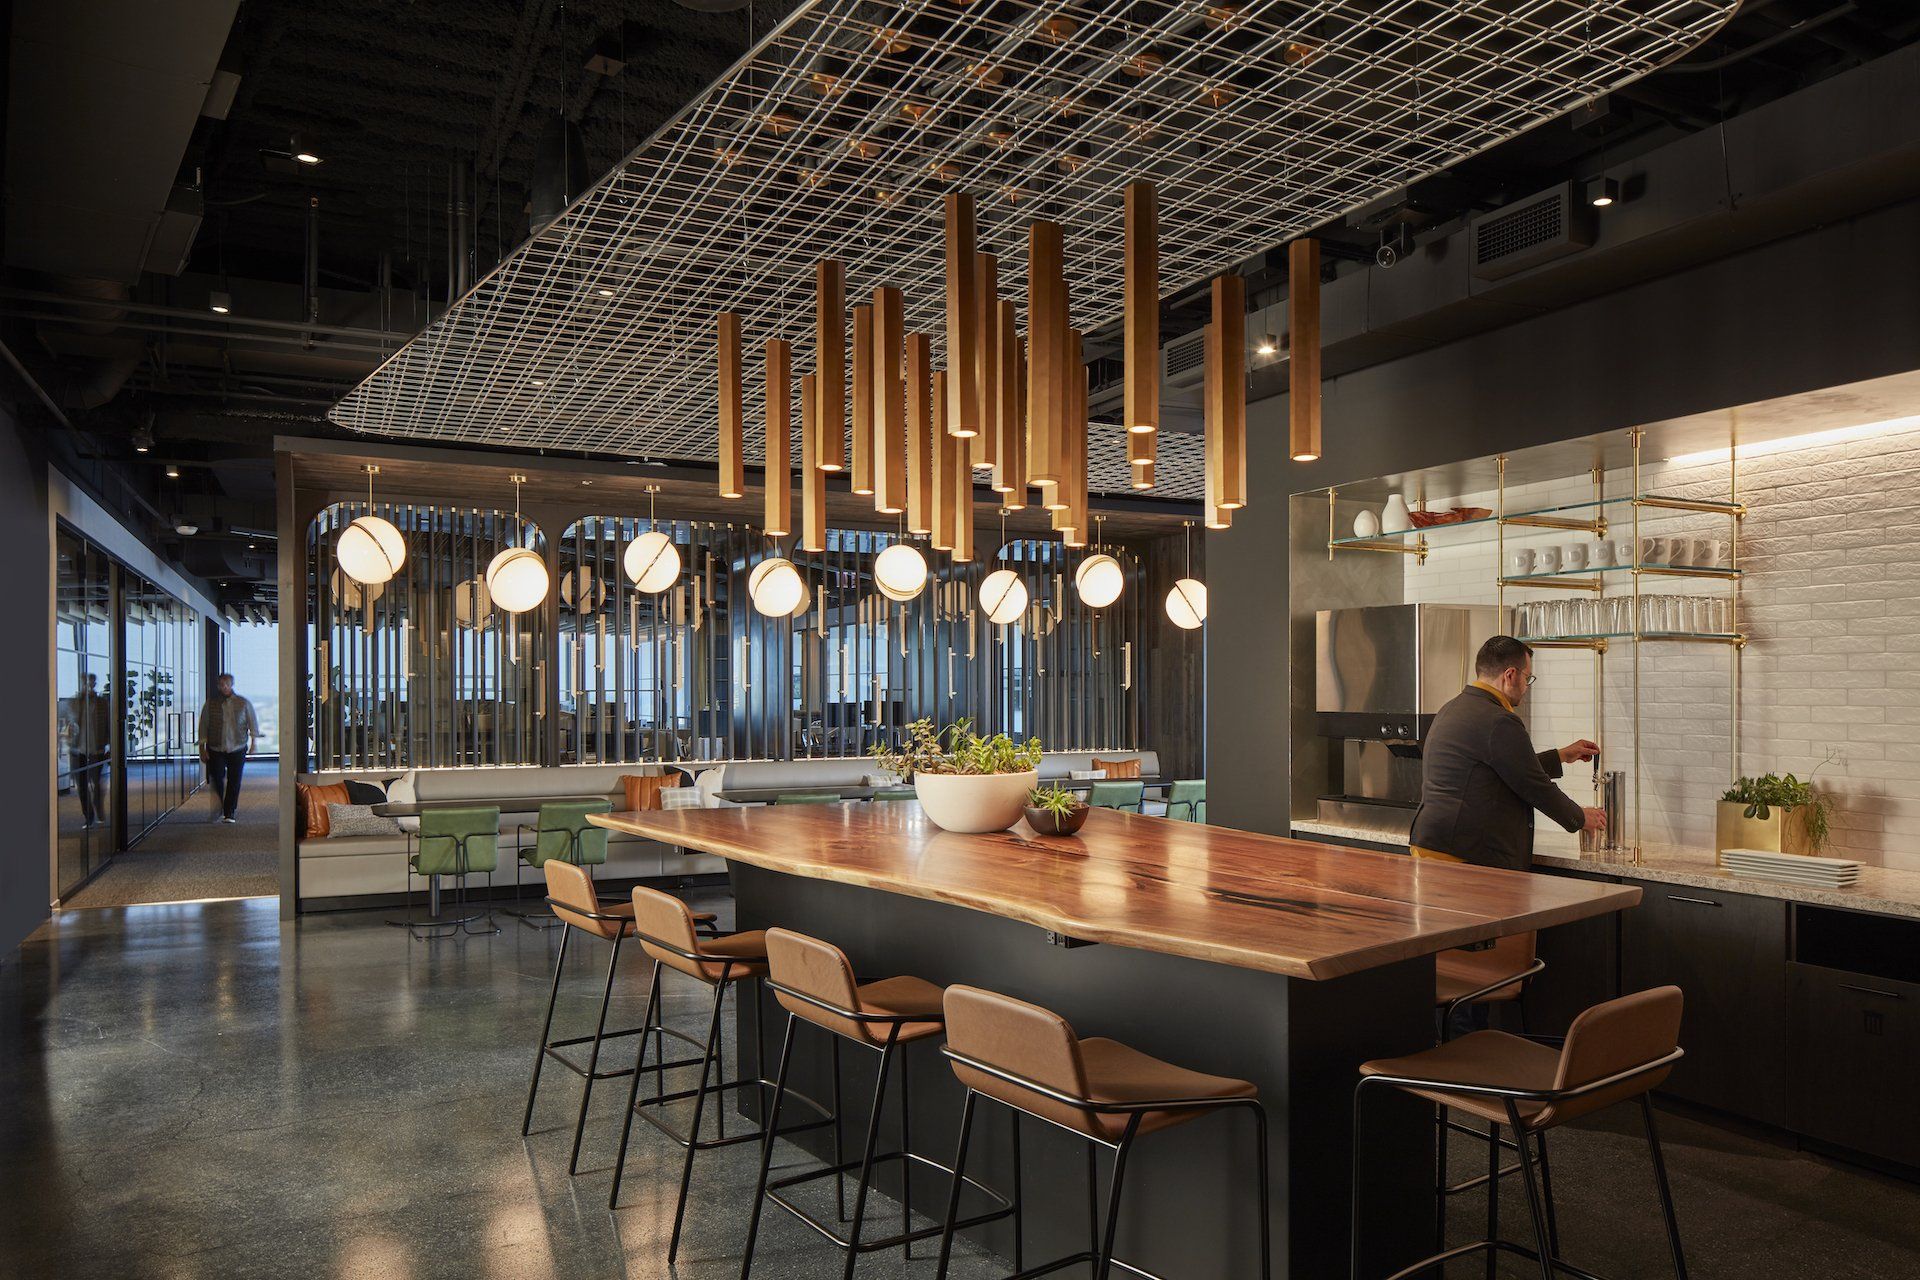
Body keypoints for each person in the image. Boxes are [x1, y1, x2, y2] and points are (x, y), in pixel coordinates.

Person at [1410, 635, 1605, 872]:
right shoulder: (1499, 720)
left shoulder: (1453, 708)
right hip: (1465, 853)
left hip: (1435, 844)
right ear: (1510, 675)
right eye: (1527, 678)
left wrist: (1562, 755)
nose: (1526, 687)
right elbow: (1534, 785)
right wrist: (1581, 818)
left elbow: (1506, 770)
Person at [198, 673, 260, 824]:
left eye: (226, 684)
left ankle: (229, 811)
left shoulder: (243, 703)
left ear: (232, 685)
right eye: (221, 684)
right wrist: (202, 748)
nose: (224, 687)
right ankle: (219, 807)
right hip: (216, 747)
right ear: (218, 686)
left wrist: (253, 744)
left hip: (238, 747)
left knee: (234, 780)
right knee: (217, 778)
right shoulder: (211, 703)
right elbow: (203, 726)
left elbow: (252, 723)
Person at [58, 672, 112, 828]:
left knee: (97, 783)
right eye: (85, 682)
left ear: (95, 684)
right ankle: (88, 817)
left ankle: (98, 808)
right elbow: (65, 722)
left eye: (91, 683)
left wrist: (109, 745)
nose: (88, 685)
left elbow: (109, 726)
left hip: (97, 750)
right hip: (77, 750)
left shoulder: (102, 703)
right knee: (81, 786)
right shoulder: (74, 703)